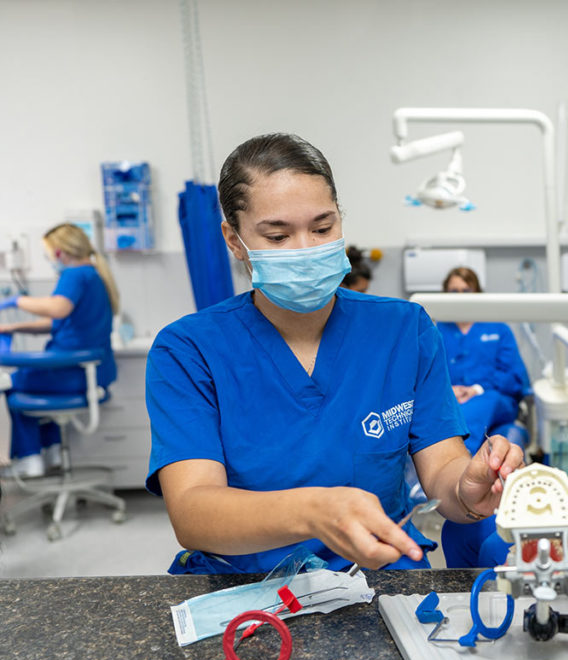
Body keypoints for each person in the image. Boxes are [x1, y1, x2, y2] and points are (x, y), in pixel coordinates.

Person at [145, 133, 522, 575]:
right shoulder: (189, 350)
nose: (306, 249)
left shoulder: (403, 329)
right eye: (278, 235)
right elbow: (192, 512)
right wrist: (314, 512)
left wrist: (466, 490)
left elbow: (442, 468)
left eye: (323, 228)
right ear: (234, 239)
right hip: (244, 588)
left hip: (378, 577)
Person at [0, 223, 118, 478]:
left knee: (10, 384)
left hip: (68, 373)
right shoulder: (93, 275)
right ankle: (51, 450)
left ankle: (30, 458)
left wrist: (17, 300)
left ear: (58, 253)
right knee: (32, 384)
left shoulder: (75, 275)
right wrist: (14, 326)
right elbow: (59, 322)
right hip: (89, 374)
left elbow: (57, 309)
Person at [436, 267, 530, 454]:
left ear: (477, 292)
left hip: (495, 401)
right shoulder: (436, 331)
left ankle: (460, 458)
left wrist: (476, 390)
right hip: (451, 400)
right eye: (454, 291)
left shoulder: (497, 329)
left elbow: (515, 377)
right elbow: (427, 375)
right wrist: (448, 391)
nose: (460, 296)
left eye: (466, 290)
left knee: (488, 399)